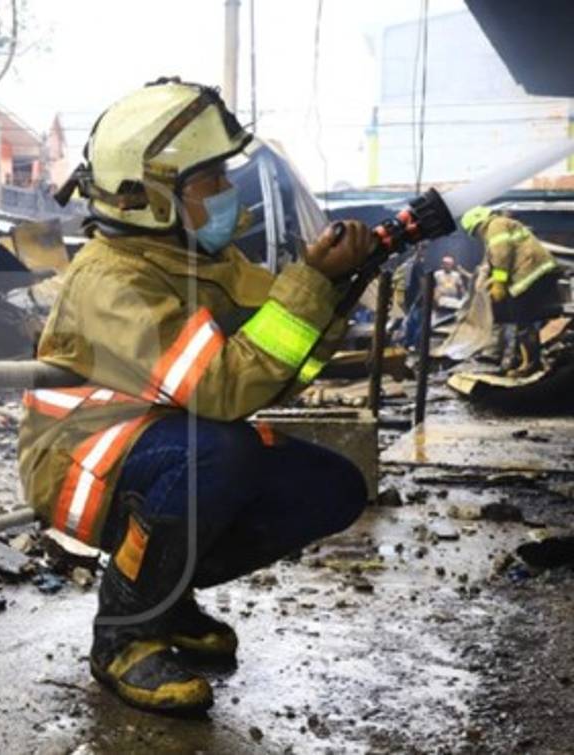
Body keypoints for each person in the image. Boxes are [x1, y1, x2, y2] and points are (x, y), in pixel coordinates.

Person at [20, 78, 374, 715]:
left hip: (166, 443)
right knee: (219, 450)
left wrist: (338, 287)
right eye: (208, 179)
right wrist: (312, 284)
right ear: (151, 197)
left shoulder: (206, 260)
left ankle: (168, 588)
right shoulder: (112, 279)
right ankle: (124, 634)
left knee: (334, 487)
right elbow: (220, 388)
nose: (226, 191)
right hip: (79, 458)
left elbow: (280, 362)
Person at [460, 206, 563, 376]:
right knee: (519, 316)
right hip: (535, 272)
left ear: (478, 224)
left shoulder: (495, 225)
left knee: (522, 318)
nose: (478, 236)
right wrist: (493, 280)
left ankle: (530, 364)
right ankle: (521, 359)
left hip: (531, 273)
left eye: (475, 232)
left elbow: (502, 254)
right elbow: (504, 257)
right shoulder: (501, 224)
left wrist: (499, 282)